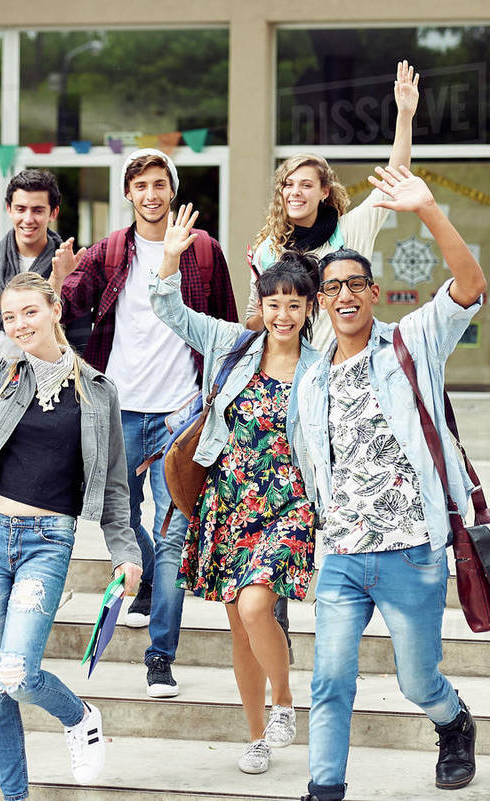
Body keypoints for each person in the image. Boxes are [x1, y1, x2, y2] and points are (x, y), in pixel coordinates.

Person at [0, 203, 143, 801]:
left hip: (47, 541)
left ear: (54, 310)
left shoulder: (98, 393)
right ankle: (14, 795)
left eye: (28, 312)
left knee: (17, 671)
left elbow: (115, 485)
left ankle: (78, 717)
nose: (18, 324)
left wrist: (126, 553)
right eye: (8, 316)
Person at [296, 165, 485, 801]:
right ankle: (325, 789)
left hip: (411, 551)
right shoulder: (312, 377)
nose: (345, 294)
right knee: (328, 681)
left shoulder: (411, 343)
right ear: (321, 302)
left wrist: (429, 211)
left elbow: (471, 283)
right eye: (333, 287)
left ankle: (453, 721)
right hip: (343, 556)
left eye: (356, 283)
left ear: (374, 293)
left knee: (417, 681)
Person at [50, 148, 237, 699]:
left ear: (171, 191)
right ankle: (146, 577)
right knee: (124, 520)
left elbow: (223, 327)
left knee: (172, 534)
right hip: (121, 410)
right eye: (141, 186)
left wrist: (217, 404)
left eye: (160, 184)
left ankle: (161, 658)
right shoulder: (110, 251)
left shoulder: (203, 251)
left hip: (182, 412)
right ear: (128, 195)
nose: (151, 194)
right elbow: (69, 306)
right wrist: (62, 278)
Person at [151, 204, 320, 775]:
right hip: (228, 499)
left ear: (308, 308)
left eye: (293, 305)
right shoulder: (233, 345)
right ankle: (257, 736)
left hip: (289, 504)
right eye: (274, 304)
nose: (282, 315)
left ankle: (285, 700)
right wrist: (170, 256)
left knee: (256, 605)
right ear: (262, 305)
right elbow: (166, 307)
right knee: (240, 627)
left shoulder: (323, 367)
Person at [246, 61, 420, 350]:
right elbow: (254, 318)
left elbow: (394, 179)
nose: (295, 193)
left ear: (325, 191)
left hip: (345, 369)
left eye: (306, 185)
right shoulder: (269, 249)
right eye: (288, 185)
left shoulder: (350, 231)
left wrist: (404, 116)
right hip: (292, 375)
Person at [0, 168, 91, 443]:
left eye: (38, 210)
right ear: (8, 209)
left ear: (53, 213)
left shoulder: (70, 268)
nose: (28, 219)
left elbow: (77, 345)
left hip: (40, 391)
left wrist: (59, 278)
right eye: (20, 208)